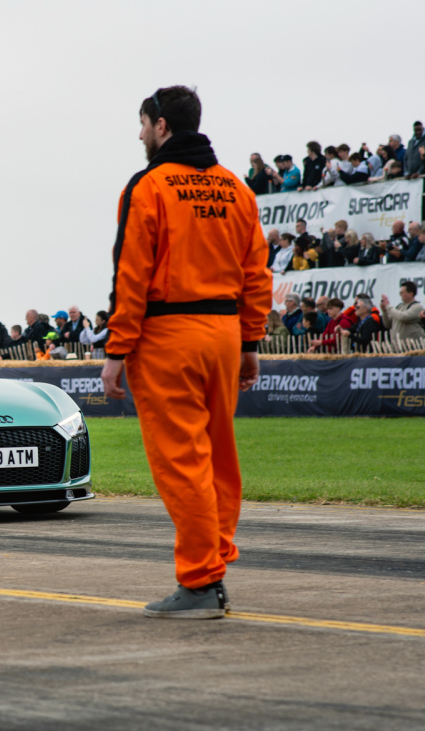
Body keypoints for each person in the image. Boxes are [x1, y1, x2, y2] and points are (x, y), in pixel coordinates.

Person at [101, 85, 270, 619]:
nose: (140, 134)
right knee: (218, 458)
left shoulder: (148, 186)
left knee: (183, 462)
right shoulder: (237, 188)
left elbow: (131, 273)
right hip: (223, 336)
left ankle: (200, 582)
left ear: (161, 125)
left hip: (168, 335)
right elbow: (257, 274)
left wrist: (116, 349)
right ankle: (213, 565)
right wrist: (250, 342)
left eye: (143, 124)